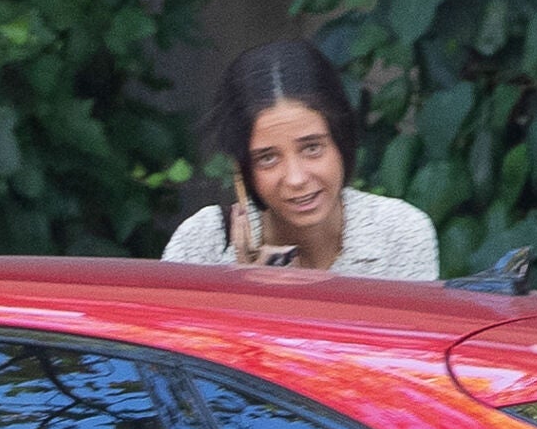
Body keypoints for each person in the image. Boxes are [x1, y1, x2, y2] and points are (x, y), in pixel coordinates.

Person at [162, 38, 439, 280]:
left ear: (341, 141)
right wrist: (243, 291)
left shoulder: (399, 234)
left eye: (312, 148)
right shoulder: (204, 243)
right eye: (268, 158)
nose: (296, 179)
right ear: (242, 168)